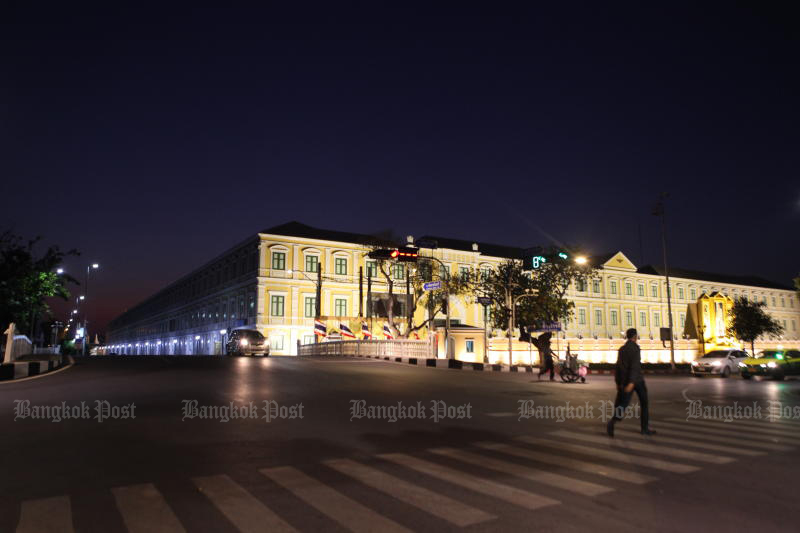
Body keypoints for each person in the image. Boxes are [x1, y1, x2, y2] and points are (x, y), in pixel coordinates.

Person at [607, 328, 656, 436]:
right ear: (635, 337)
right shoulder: (635, 348)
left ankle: (613, 421)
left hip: (624, 381)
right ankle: (644, 429)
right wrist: (632, 382)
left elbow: (618, 367)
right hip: (636, 381)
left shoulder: (622, 349)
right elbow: (635, 366)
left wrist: (618, 382)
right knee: (644, 404)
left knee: (623, 404)